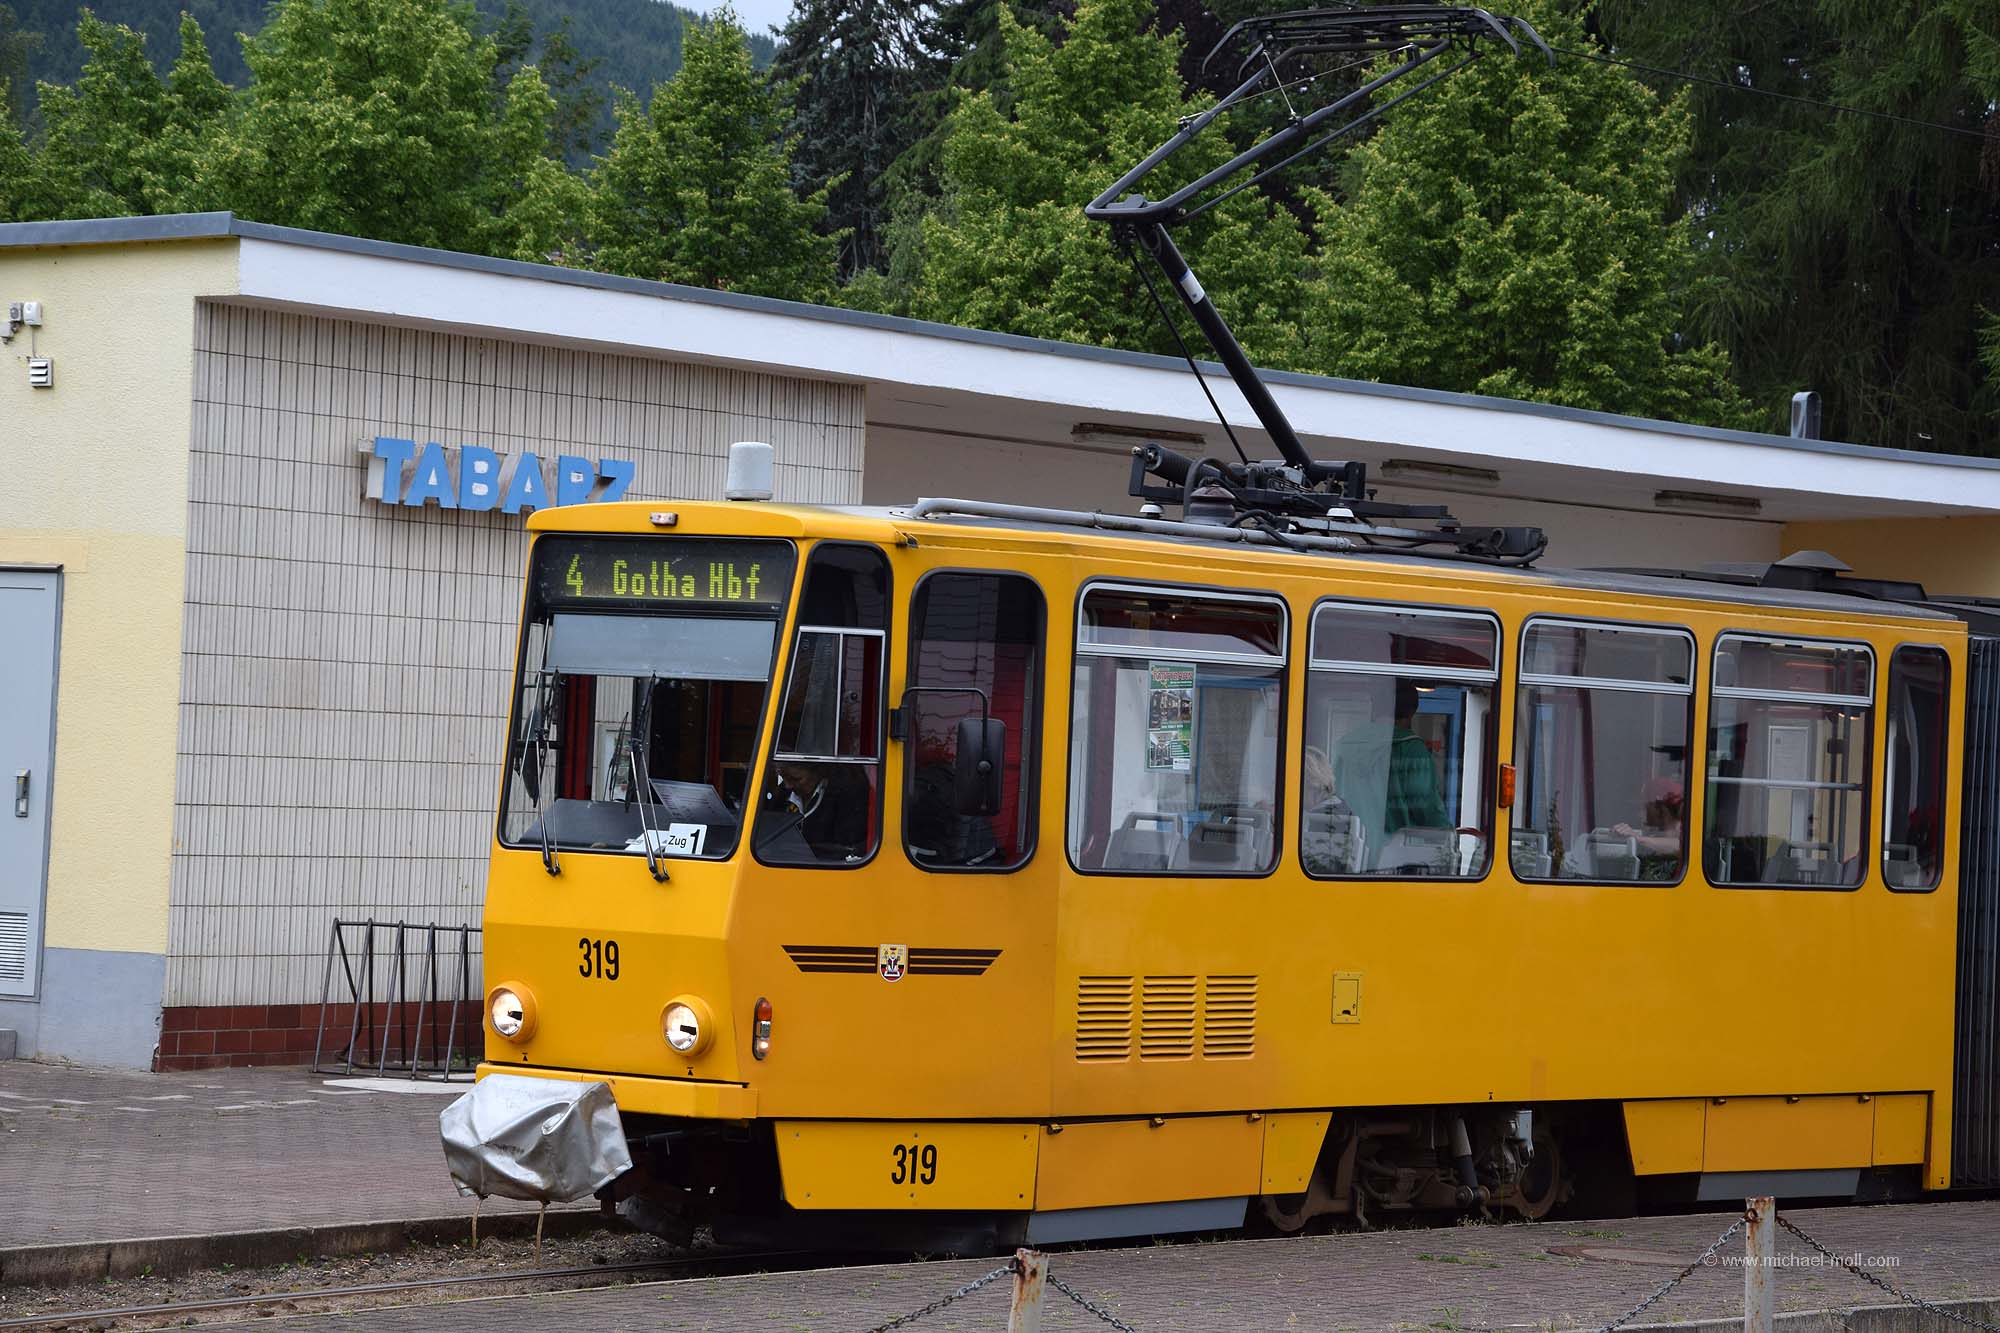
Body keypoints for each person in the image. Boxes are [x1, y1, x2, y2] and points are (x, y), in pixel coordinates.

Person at [1334, 680, 1450, 859]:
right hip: (1395, 859)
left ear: (1374, 708)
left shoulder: (1346, 746)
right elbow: (1426, 808)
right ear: (1412, 713)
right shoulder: (1413, 749)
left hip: (1349, 853)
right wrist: (1449, 835)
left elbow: (1335, 798)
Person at [770, 761, 870, 859]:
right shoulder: (781, 795)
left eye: (796, 779)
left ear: (819, 772)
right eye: (784, 777)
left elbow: (847, 847)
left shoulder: (844, 798)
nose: (788, 785)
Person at [1613, 777, 1685, 870]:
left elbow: (1681, 846)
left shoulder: (1685, 831)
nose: (1640, 813)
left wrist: (1638, 839)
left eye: (1644, 805)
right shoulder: (1656, 833)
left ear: (1658, 806)